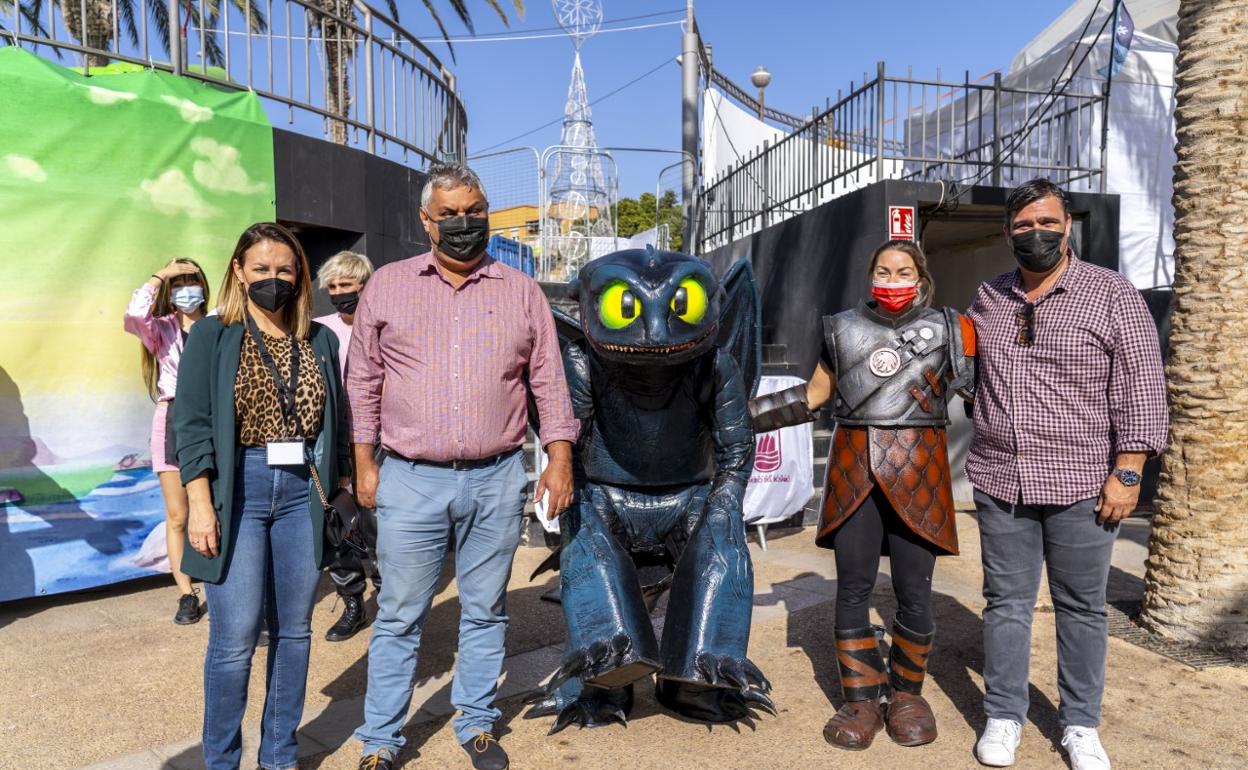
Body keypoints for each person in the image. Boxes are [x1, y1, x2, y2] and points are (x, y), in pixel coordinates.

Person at [349, 163, 578, 770]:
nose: (462, 224)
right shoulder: (389, 286)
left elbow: (548, 382)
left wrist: (559, 458)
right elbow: (363, 382)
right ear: (426, 221)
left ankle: (475, 722)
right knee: (400, 615)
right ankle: (380, 739)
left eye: (473, 211)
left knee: (485, 609)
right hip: (410, 477)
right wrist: (364, 464)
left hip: (498, 476)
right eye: (448, 214)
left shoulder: (520, 289)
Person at [967, 179, 1167, 770]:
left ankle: (1080, 724)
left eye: (1047, 223)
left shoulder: (1111, 294)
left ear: (1068, 225)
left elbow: (1143, 386)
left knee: (1081, 606)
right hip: (1001, 478)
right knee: (1006, 602)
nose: (1036, 234)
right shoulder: (989, 296)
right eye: (1024, 226)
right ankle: (1003, 714)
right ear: (1007, 233)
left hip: (1084, 482)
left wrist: (1128, 472)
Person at [753, 239, 975, 751]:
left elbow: (985, 393)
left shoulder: (948, 328)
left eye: (902, 271)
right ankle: (858, 699)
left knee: (913, 592)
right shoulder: (841, 327)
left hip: (921, 471)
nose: (892, 279)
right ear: (870, 274)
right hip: (855, 472)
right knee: (852, 588)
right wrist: (739, 419)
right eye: (883, 270)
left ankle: (906, 696)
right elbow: (813, 397)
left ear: (920, 278)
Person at [175, 222, 351, 770]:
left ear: (299, 277)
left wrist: (342, 488)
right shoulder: (213, 334)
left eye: (284, 270)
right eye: (261, 270)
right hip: (239, 488)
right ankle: (222, 761)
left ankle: (280, 756)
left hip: (302, 489)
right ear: (238, 271)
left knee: (295, 631)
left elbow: (335, 424)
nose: (272, 279)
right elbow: (193, 424)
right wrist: (201, 504)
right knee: (235, 636)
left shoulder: (318, 338)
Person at [124, 258, 210, 624]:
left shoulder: (221, 322)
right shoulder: (160, 330)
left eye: (192, 280)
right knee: (178, 515)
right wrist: (161, 275)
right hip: (173, 418)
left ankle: (222, 578)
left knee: (219, 506)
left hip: (215, 418)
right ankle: (186, 593)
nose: (186, 288)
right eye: (179, 283)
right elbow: (133, 316)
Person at [314, 250, 382, 642]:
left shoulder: (382, 326)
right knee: (338, 524)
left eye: (348, 285)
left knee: (381, 523)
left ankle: (387, 596)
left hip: (381, 439)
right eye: (334, 286)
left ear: (364, 285)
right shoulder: (320, 330)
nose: (340, 292)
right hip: (335, 440)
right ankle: (352, 601)